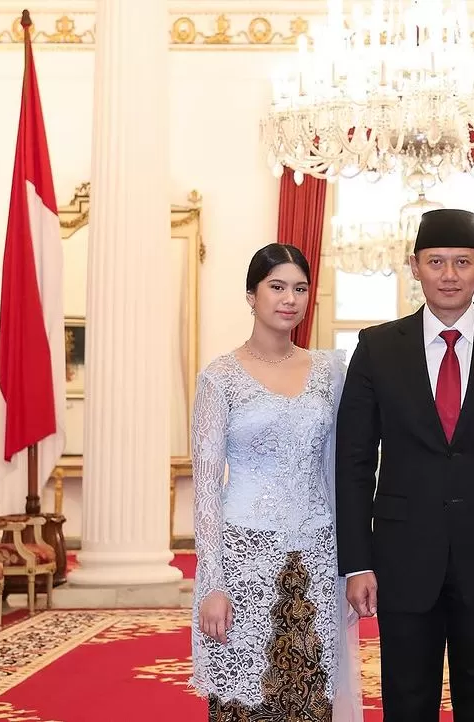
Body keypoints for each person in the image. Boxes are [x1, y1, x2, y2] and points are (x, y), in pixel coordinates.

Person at [335, 208, 474, 722]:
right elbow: (353, 463)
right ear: (413, 267)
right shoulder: (375, 348)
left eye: (462, 262)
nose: (449, 274)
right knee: (406, 700)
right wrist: (358, 561)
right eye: (436, 261)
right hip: (401, 557)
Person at [189, 243, 361, 722]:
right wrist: (212, 584)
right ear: (251, 295)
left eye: (300, 288)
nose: (290, 299)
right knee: (244, 701)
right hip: (243, 553)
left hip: (317, 555)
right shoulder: (219, 377)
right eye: (277, 287)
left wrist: (349, 566)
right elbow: (205, 487)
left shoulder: (330, 372)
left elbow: (336, 473)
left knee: (310, 696)